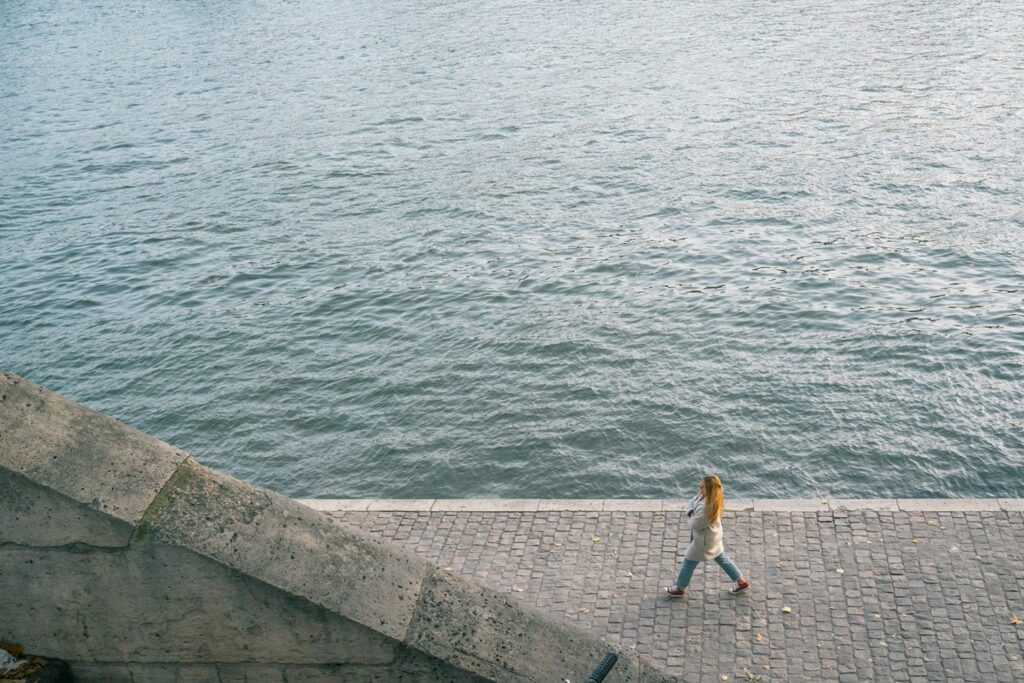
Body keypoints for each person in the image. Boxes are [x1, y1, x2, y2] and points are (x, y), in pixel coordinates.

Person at [666, 474, 750, 597]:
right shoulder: (709, 497)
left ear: (709, 489)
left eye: (702, 487)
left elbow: (693, 524)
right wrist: (691, 511)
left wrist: (690, 514)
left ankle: (680, 588)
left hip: (704, 542)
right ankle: (742, 583)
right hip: (713, 537)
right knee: (722, 559)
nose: (699, 488)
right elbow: (690, 503)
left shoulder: (707, 508)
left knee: (688, 562)